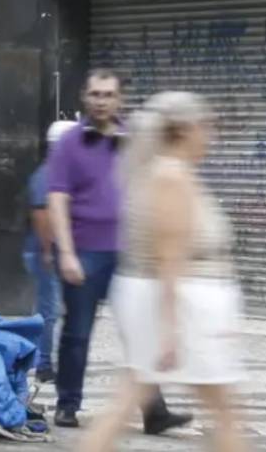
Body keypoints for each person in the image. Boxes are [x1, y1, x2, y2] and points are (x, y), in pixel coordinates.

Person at [80, 92, 247, 452]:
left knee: (132, 395)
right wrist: (170, 327)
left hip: (170, 300)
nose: (211, 136)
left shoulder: (164, 173)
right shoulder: (171, 177)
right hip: (181, 303)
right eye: (206, 126)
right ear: (184, 130)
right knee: (224, 410)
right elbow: (170, 255)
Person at [48, 69, 190, 432]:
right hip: (85, 254)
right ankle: (67, 405)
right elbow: (58, 199)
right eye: (95, 94)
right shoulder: (70, 143)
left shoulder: (134, 142)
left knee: (139, 333)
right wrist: (66, 252)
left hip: (128, 256)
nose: (101, 101)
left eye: (108, 94)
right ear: (84, 97)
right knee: (77, 333)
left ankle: (154, 411)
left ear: (119, 99)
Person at [24, 120, 77, 383]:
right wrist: (47, 251)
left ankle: (38, 358)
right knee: (50, 310)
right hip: (44, 253)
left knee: (47, 308)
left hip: (48, 252)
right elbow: (42, 216)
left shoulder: (55, 174)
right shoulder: (47, 175)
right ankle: (43, 365)